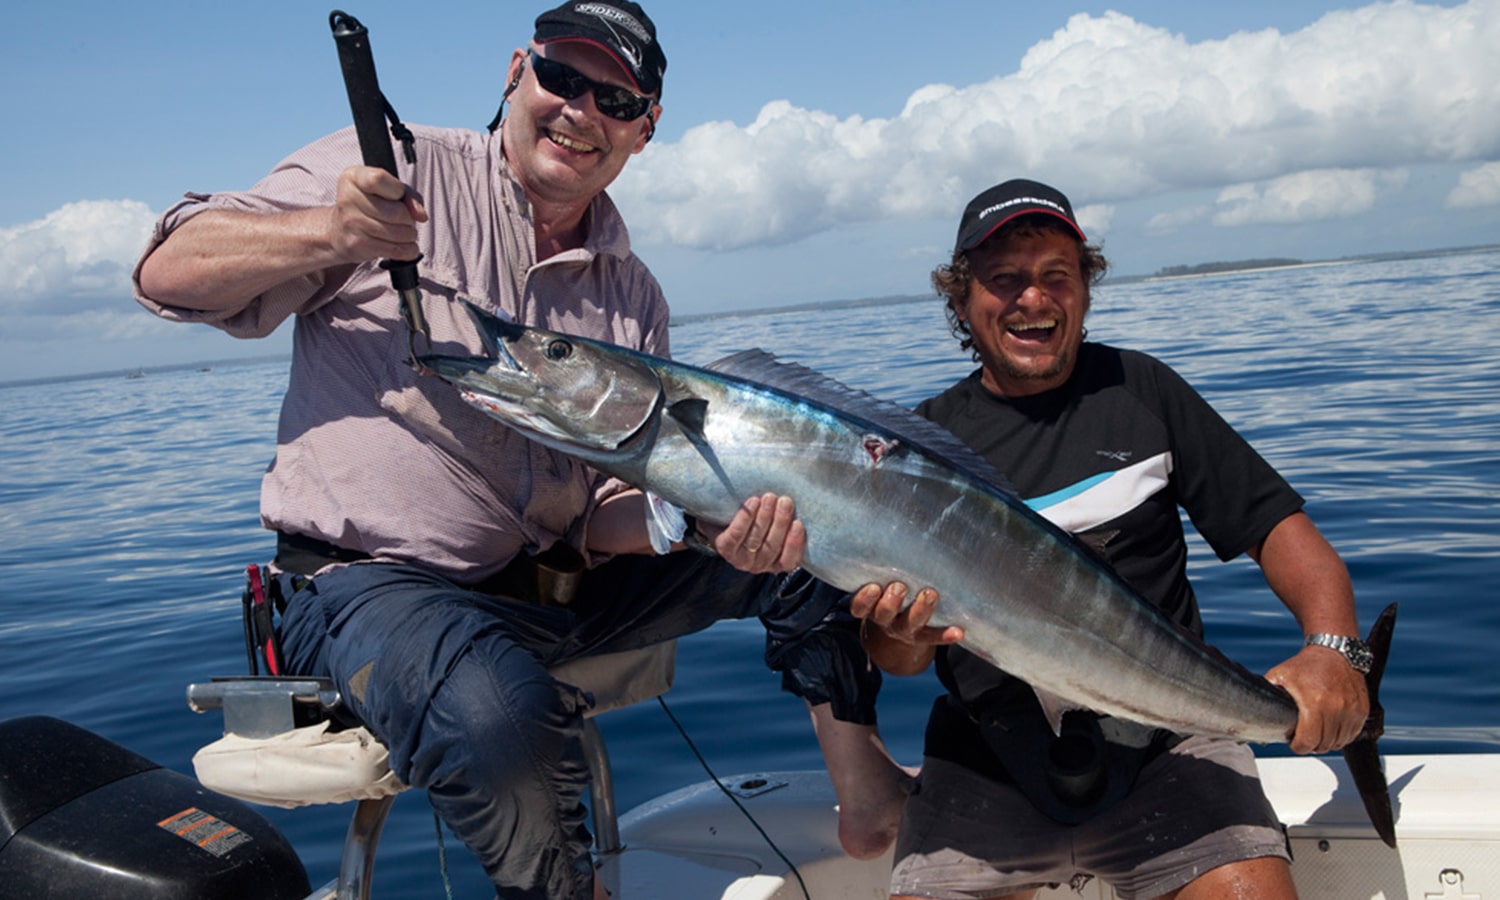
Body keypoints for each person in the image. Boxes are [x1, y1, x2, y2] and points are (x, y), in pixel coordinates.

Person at [133, 3, 904, 896]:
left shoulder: (631, 291)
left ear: (646, 129)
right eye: (562, 77)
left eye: (615, 97)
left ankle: (865, 783)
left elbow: (605, 504)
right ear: (515, 72)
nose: (581, 111)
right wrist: (332, 235)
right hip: (366, 587)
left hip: (548, 583)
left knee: (818, 532)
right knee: (497, 710)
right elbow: (165, 270)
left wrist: (691, 526)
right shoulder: (391, 165)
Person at [853, 178, 1372, 900]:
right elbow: (899, 659)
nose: (1032, 299)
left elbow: (1277, 526)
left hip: (1171, 737)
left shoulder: (1142, 391)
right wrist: (901, 632)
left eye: (1055, 277)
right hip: (984, 754)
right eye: (1004, 281)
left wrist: (1334, 649)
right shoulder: (921, 445)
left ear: (1086, 292)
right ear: (963, 301)